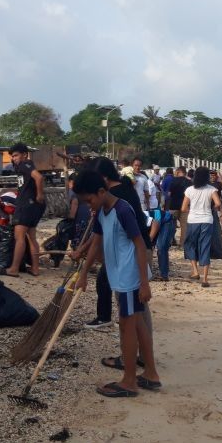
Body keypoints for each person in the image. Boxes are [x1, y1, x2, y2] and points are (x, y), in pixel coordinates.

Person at [72, 170, 160, 397]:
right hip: (119, 276)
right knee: (138, 325)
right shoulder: (102, 212)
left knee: (126, 326)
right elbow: (96, 242)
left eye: (90, 200)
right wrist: (83, 274)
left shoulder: (122, 210)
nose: (89, 205)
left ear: (102, 191)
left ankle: (129, 381)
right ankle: (150, 374)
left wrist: (144, 283)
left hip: (129, 277)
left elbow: (140, 245)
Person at [75, 157, 152, 329]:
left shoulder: (117, 199)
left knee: (136, 314)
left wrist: (144, 283)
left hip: (131, 256)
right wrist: (83, 253)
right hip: (124, 255)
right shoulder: (112, 196)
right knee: (131, 314)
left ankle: (140, 354)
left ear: (103, 178)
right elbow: (98, 235)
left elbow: (134, 241)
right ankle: (134, 353)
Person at [4, 142, 46, 277]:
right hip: (34, 206)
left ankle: (14, 268)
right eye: (13, 156)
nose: (14, 158)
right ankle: (35, 268)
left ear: (24, 155)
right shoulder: (25, 166)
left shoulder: (25, 164)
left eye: (16, 155)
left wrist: (40, 194)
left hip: (26, 205)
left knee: (19, 237)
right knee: (31, 237)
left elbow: (39, 178)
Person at [182, 166, 222, 287]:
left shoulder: (189, 190)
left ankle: (195, 271)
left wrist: (193, 211)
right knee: (205, 246)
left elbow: (183, 208)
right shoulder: (212, 189)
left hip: (193, 220)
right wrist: (211, 209)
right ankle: (205, 279)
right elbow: (218, 204)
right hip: (207, 220)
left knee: (190, 244)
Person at [168, 167, 192, 247]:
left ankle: (169, 242)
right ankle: (182, 244)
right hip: (185, 206)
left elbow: (169, 193)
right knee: (184, 226)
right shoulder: (189, 182)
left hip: (173, 205)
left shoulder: (173, 180)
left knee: (171, 225)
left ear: (178, 171)